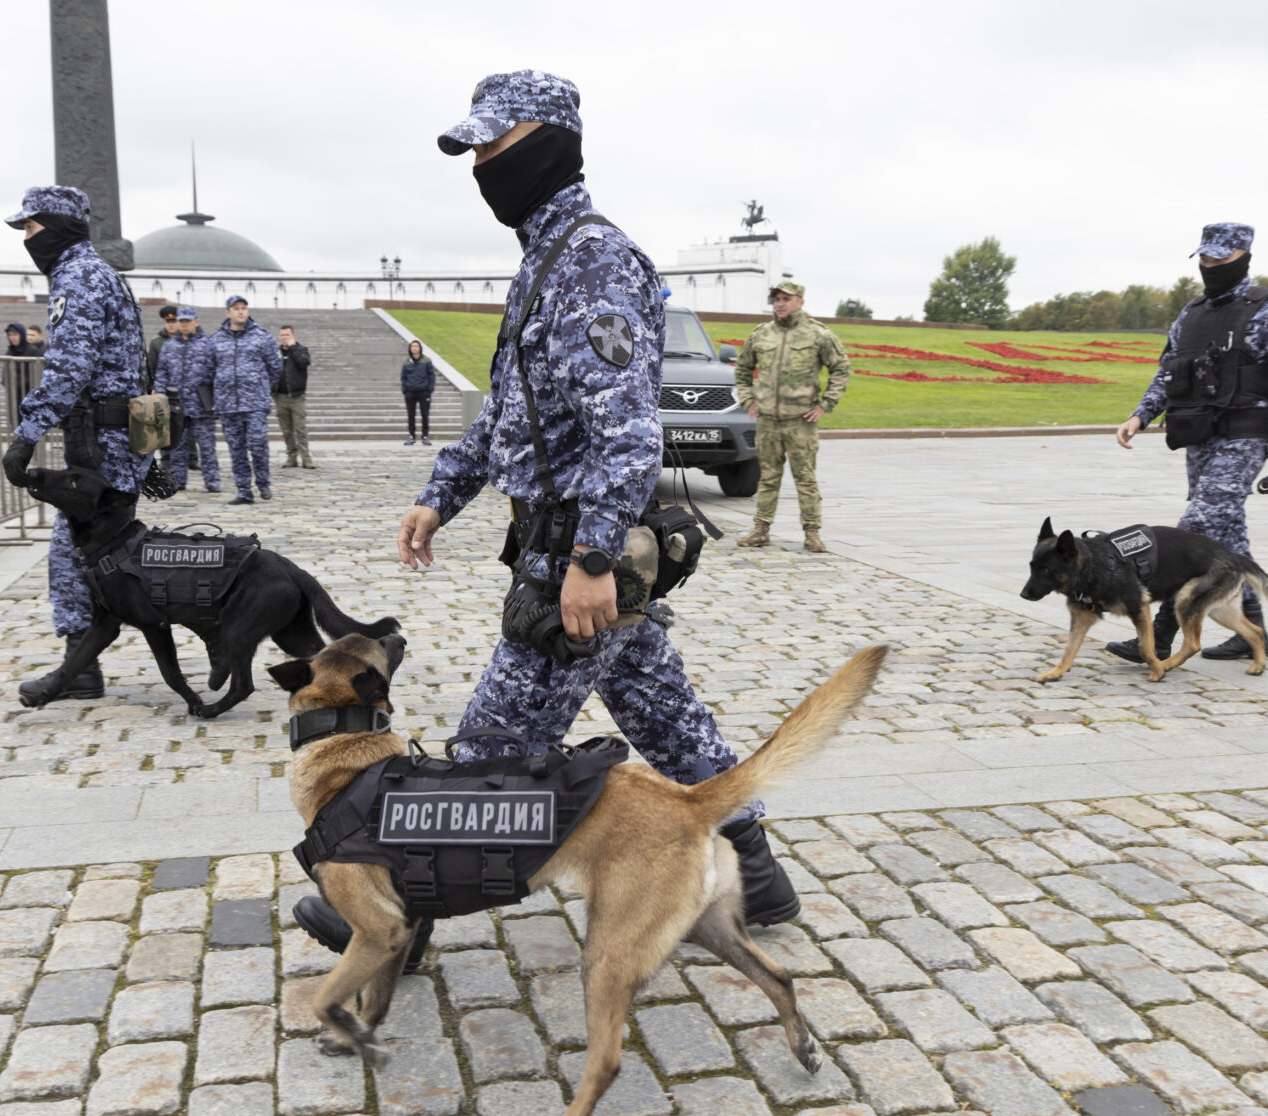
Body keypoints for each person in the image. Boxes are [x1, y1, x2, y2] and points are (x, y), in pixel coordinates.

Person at [290, 70, 800, 961]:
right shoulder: (546, 259)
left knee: (489, 750)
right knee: (663, 713)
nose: (482, 163)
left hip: (575, 549)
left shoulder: (591, 259)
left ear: (552, 142)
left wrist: (593, 559)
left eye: (495, 143)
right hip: (559, 539)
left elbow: (627, 432)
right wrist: (441, 495)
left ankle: (394, 914)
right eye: (474, 149)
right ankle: (757, 878)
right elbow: (507, 414)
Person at [1111, 222, 1268, 663]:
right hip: (1199, 438)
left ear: (1243, 256)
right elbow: (1169, 373)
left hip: (1243, 438)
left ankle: (1158, 636)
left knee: (1195, 530)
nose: (1210, 265)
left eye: (1220, 258)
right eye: (1204, 257)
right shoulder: (1191, 314)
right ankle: (1249, 633)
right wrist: (1140, 415)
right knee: (1227, 541)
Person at [0, 185, 150, 703]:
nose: (26, 237)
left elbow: (70, 367)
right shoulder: (98, 273)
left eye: (31, 226)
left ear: (59, 225)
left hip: (102, 440)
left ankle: (78, 668)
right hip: (114, 435)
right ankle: (82, 665)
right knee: (101, 549)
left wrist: (27, 434)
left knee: (77, 553)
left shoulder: (79, 277)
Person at [735, 281, 849, 553]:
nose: (780, 304)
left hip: (801, 422)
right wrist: (748, 399)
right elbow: (743, 368)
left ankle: (812, 533)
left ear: (800, 302)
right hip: (768, 421)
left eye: (786, 299)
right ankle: (761, 530)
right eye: (777, 299)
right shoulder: (762, 334)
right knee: (768, 477)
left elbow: (841, 368)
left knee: (805, 478)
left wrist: (826, 404)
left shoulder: (818, 334)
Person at [192, 295, 282, 504]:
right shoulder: (216, 339)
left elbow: (275, 367)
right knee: (236, 449)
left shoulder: (262, 336)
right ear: (228, 312)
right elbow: (207, 371)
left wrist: (260, 387)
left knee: (258, 444)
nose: (241, 311)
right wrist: (212, 400)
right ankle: (243, 490)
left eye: (244, 308)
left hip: (255, 403)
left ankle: (263, 482)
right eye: (236, 308)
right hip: (227, 404)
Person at [153, 306, 219, 493]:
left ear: (196, 322)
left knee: (207, 447)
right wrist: (161, 397)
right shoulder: (169, 346)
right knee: (177, 448)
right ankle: (178, 482)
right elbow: (162, 374)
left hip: (201, 405)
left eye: (187, 321)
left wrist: (216, 399)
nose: (184, 325)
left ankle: (212, 482)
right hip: (177, 406)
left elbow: (217, 375)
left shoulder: (208, 345)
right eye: (181, 321)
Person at [271, 324, 314, 469]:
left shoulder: (301, 350)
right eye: (282, 335)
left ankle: (306, 458)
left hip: (297, 397)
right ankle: (291, 457)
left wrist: (293, 347)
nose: (284, 337)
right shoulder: (275, 352)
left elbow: (304, 362)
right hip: (280, 397)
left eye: (287, 335)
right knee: (286, 430)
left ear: (293, 336)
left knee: (300, 428)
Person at [401, 339, 435, 446]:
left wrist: (430, 389)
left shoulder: (426, 361)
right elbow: (403, 377)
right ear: (410, 348)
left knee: (425, 414)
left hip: (424, 392)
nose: (414, 348)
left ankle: (425, 436)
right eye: (412, 346)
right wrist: (405, 390)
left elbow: (431, 375)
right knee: (411, 415)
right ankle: (412, 436)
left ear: (420, 348)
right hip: (410, 392)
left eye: (416, 346)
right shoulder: (407, 362)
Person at [147, 304, 178, 383]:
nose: (171, 325)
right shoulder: (156, 343)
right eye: (168, 322)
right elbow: (151, 366)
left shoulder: (186, 340)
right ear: (165, 323)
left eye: (174, 322)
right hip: (162, 383)